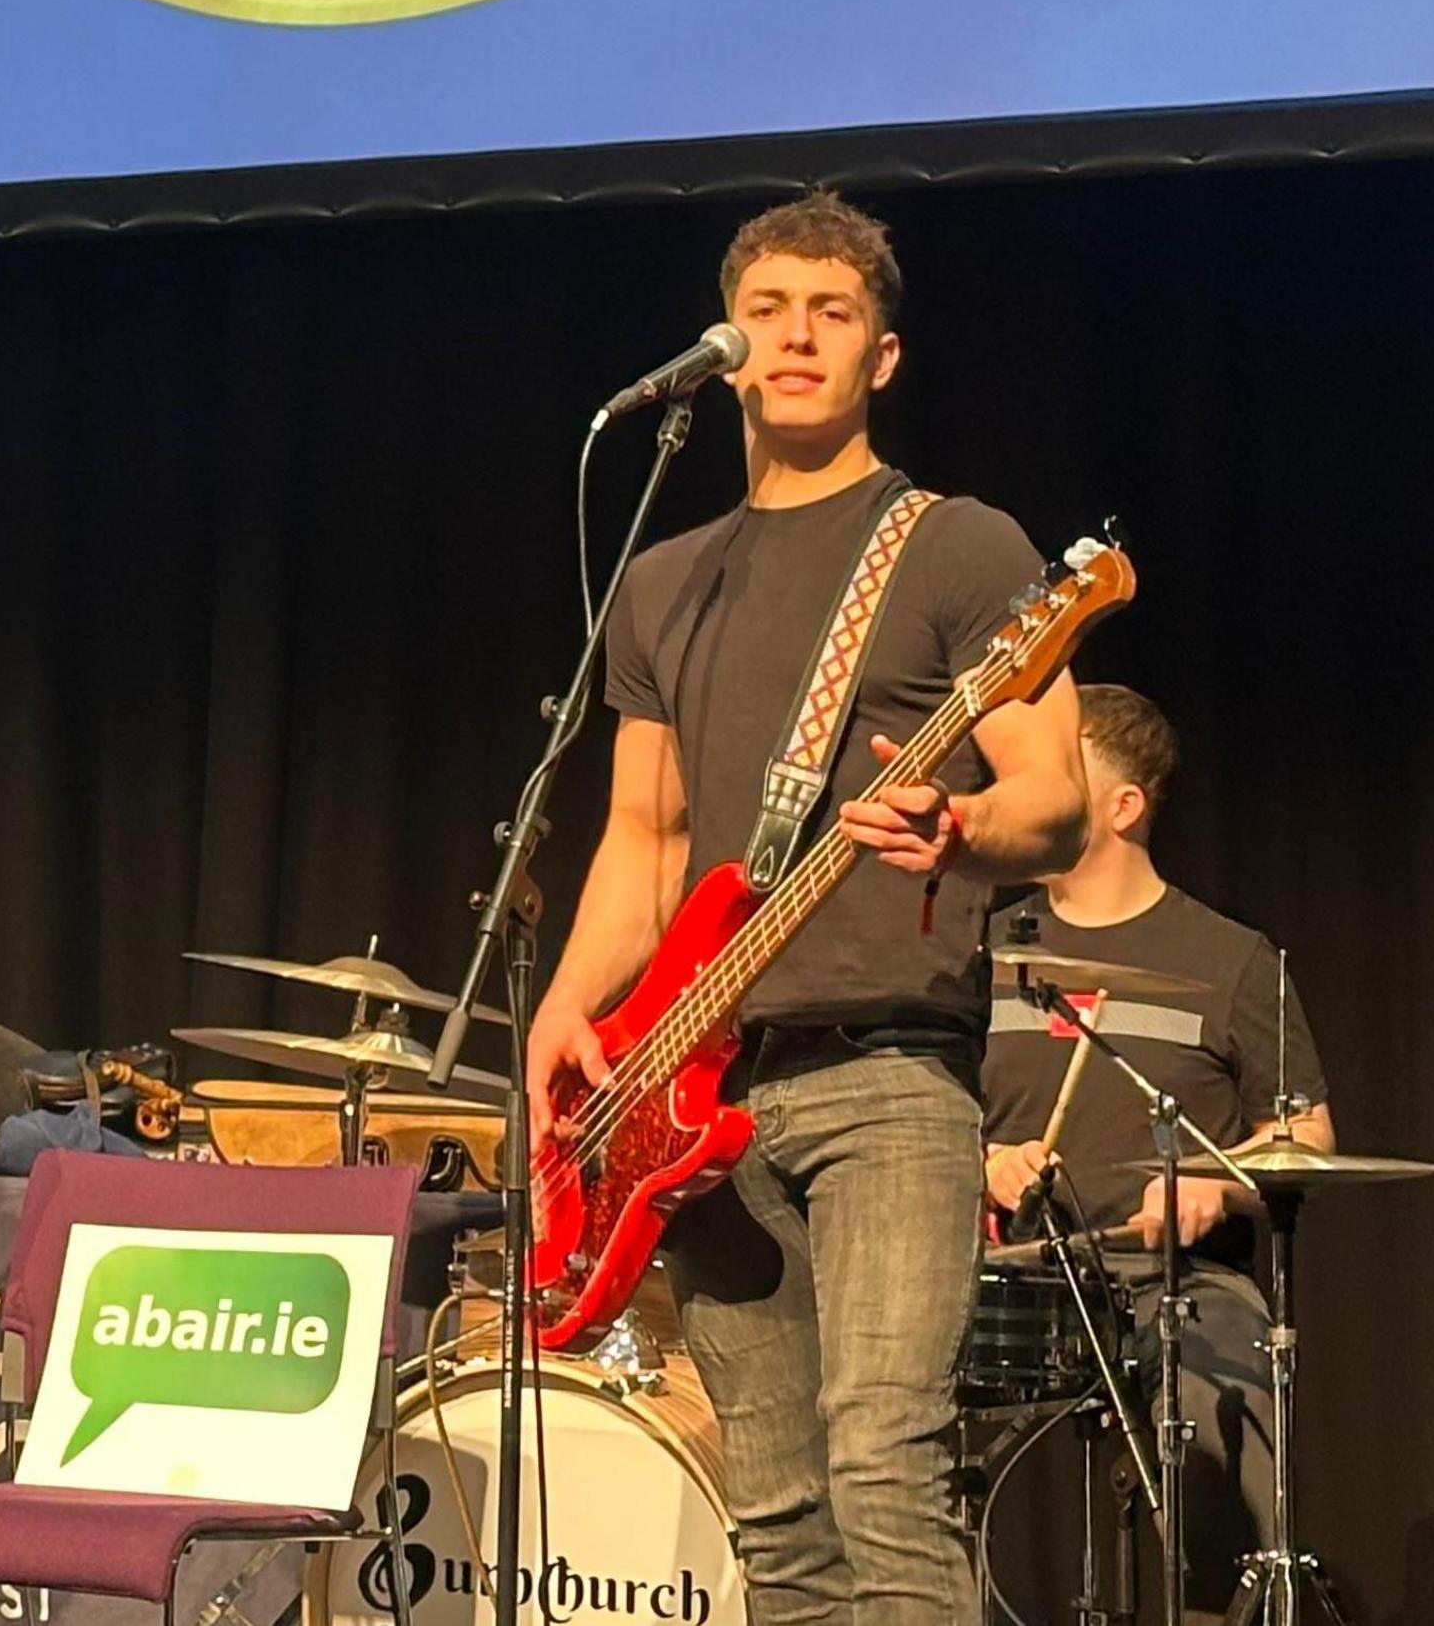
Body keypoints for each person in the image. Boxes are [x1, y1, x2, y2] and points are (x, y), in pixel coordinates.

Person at [528, 191, 1089, 1626]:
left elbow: (1056, 798)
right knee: (777, 1514)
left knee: (885, 1468)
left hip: (890, 1073)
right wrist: (566, 1010)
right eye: (768, 310)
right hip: (693, 1098)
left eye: (829, 314)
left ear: (879, 356)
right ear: (726, 351)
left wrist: (956, 823)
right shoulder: (664, 581)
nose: (794, 337)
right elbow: (645, 840)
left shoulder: (956, 548)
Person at [981, 682, 1331, 1609]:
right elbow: (927, 1111)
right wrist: (982, 1160)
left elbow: (1309, 1132)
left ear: (1124, 805)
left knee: (1222, 1399)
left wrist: (1216, 1182)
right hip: (1010, 1278)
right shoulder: (978, 954)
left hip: (1175, 1284)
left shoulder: (1231, 960)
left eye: (1058, 773)